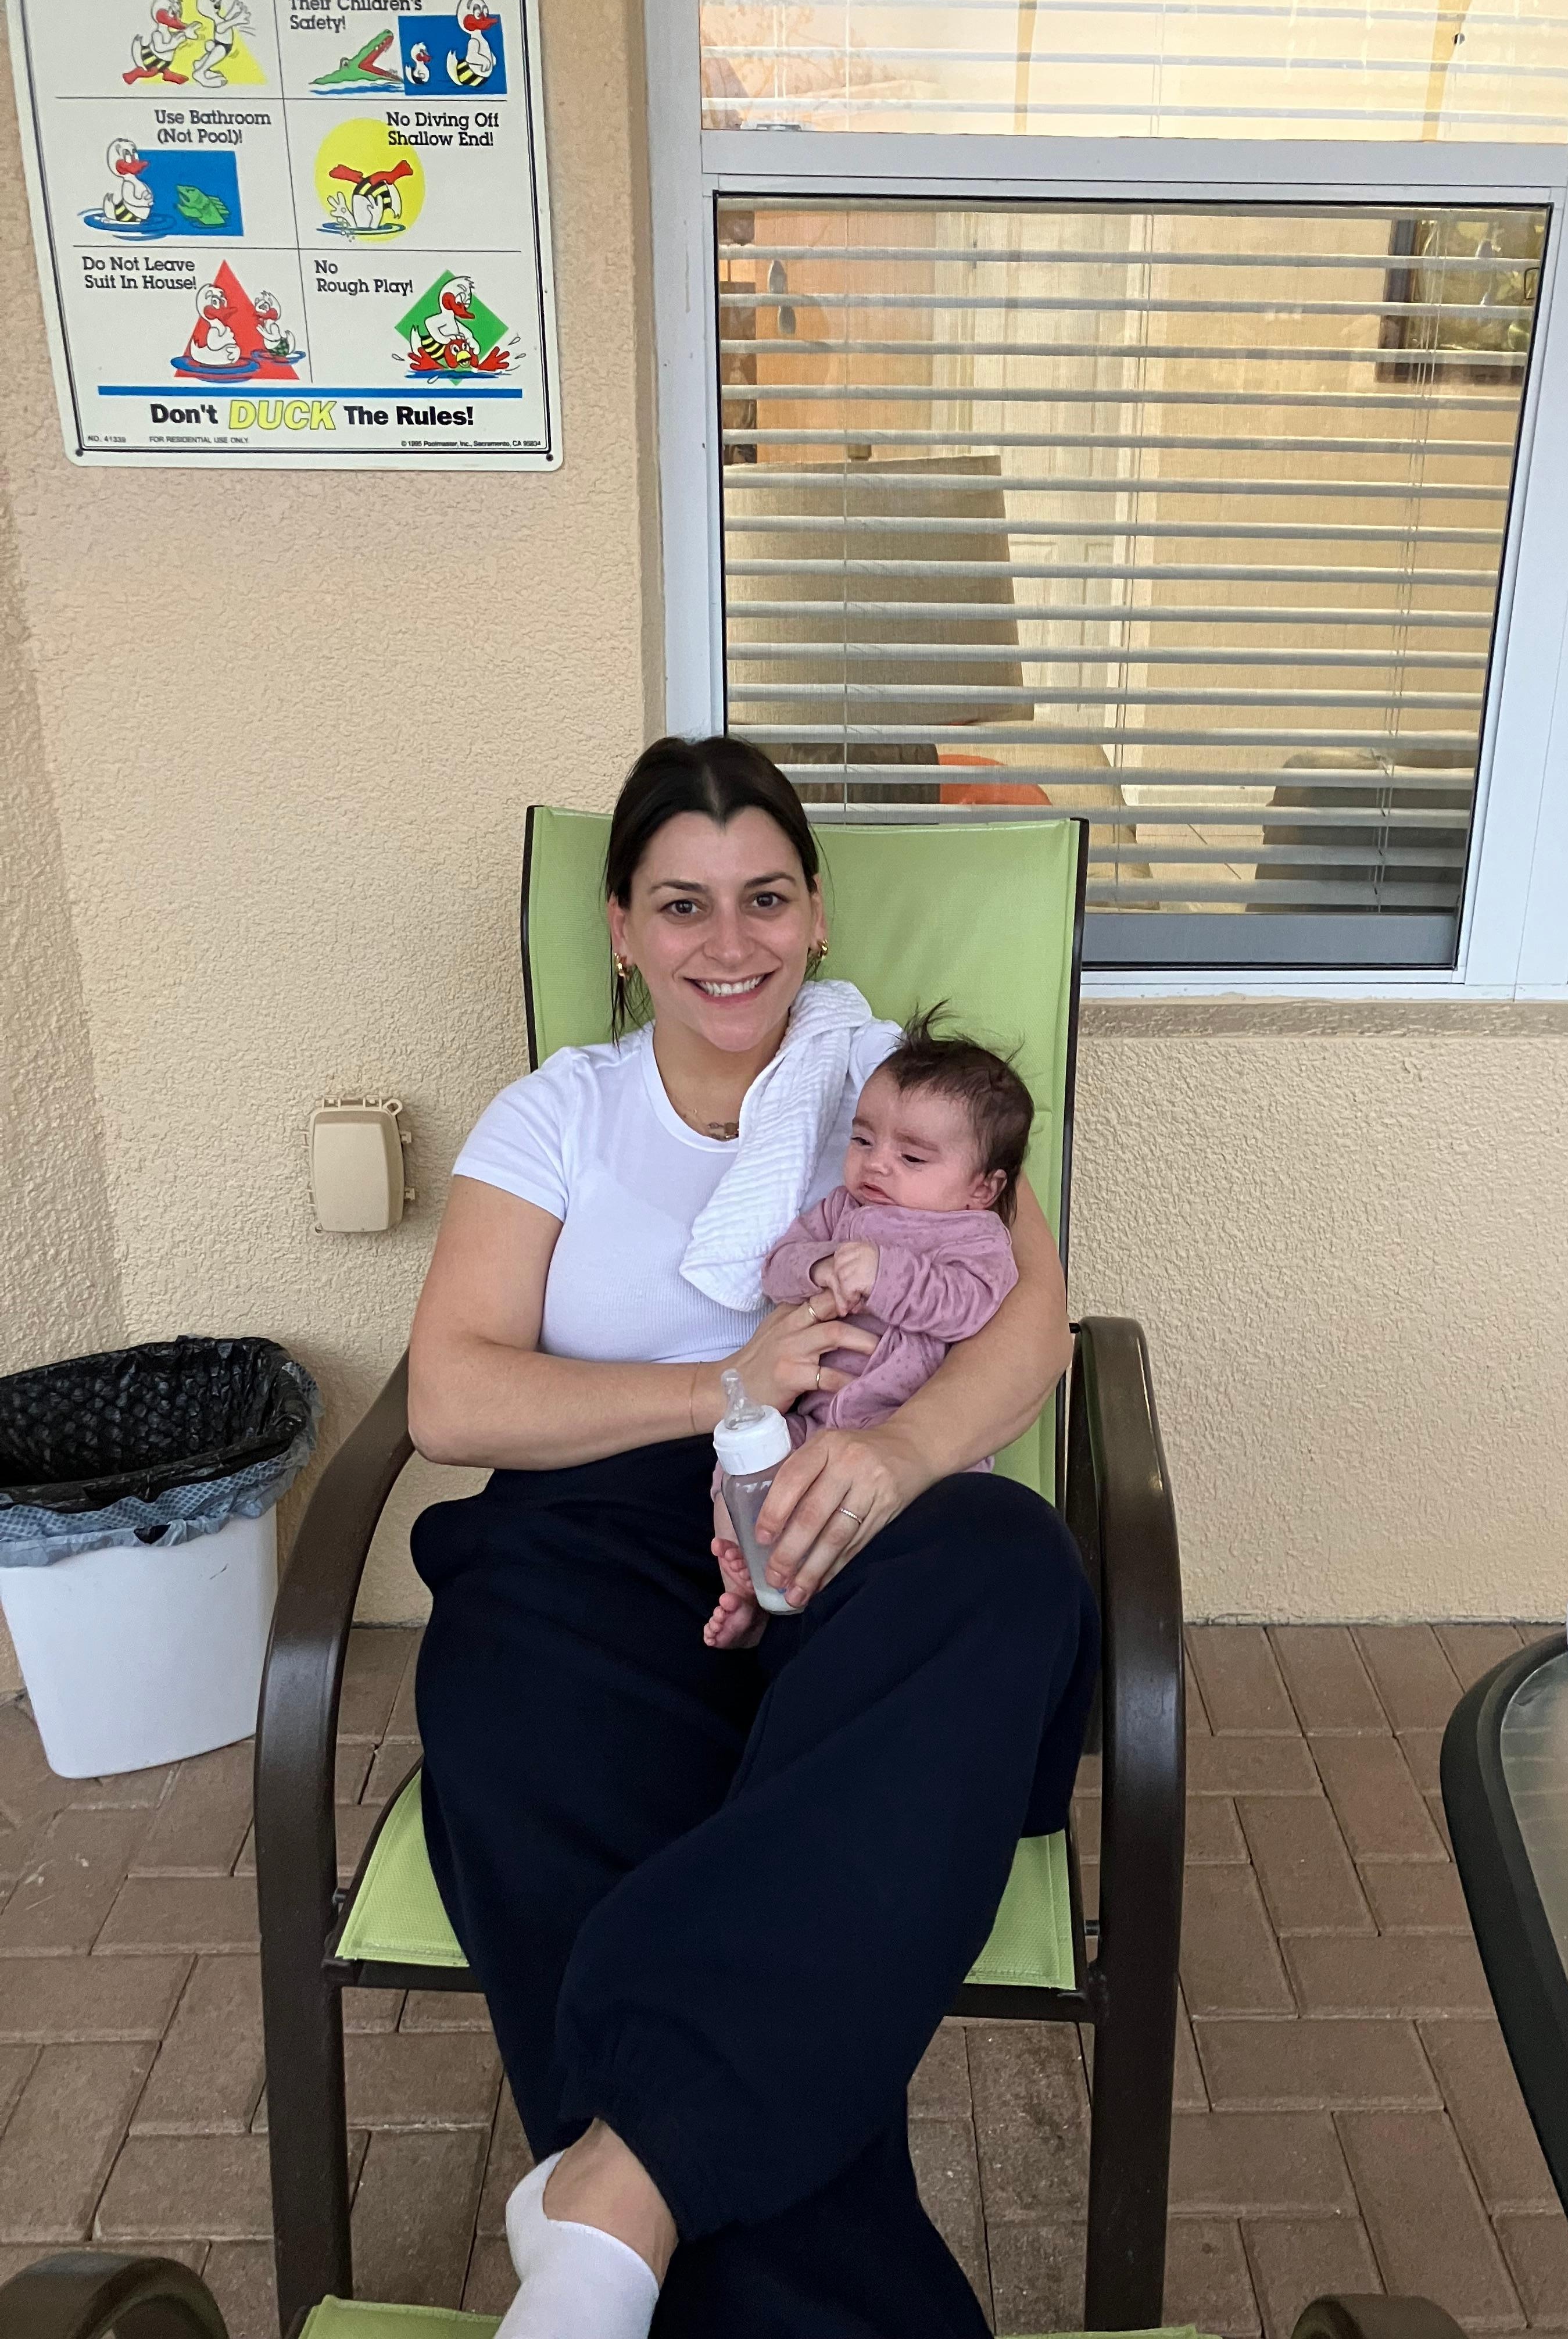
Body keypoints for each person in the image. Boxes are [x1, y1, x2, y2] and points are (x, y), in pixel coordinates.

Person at [407, 736, 1097, 2339]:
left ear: (818, 913)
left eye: (766, 897)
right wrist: (720, 1379)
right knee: (517, 1687)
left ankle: (604, 2194)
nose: (733, 943)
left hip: (859, 1513)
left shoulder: (900, 1096)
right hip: (599, 1550)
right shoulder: (556, 1114)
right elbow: (452, 1394)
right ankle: (639, 2211)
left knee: (1008, 1565)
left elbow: (1035, 1325)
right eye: (684, 903)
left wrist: (911, 1452)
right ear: (623, 928)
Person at [706, 1017, 1033, 1651]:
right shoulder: (841, 1211)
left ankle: (810, 1599)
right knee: (735, 1472)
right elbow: (778, 1268)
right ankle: (748, 1580)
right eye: (862, 1139)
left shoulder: (976, 1238)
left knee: (915, 1538)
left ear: (982, 1188)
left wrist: (886, 1276)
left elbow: (968, 1307)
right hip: (813, 1422)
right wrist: (821, 1265)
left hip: (910, 1442)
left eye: (911, 1157)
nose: (876, 1164)